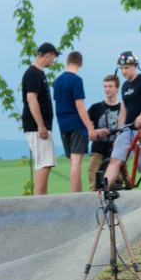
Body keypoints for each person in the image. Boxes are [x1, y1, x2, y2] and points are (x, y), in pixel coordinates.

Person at [103, 52, 141, 190]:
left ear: (135, 66)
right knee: (115, 159)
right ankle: (103, 191)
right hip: (128, 128)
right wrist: (118, 132)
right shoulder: (124, 86)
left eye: (127, 68)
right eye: (122, 68)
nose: (124, 71)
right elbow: (123, 111)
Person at [52, 51, 99, 193]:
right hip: (76, 124)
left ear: (67, 61)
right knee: (77, 160)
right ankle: (74, 196)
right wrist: (90, 127)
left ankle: (78, 193)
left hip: (62, 124)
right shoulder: (76, 80)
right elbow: (79, 105)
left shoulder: (57, 81)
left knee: (72, 161)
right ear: (81, 64)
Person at [21, 42, 60, 195]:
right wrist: (40, 125)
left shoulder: (39, 73)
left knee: (46, 162)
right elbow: (31, 99)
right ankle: (39, 201)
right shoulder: (33, 73)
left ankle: (41, 198)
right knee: (44, 162)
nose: (53, 61)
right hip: (37, 126)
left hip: (42, 125)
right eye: (53, 58)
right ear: (48, 55)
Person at [86, 75, 121, 191]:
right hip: (98, 152)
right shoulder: (95, 108)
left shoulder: (123, 108)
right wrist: (96, 131)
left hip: (116, 154)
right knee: (95, 186)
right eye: (105, 86)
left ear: (117, 88)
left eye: (110, 86)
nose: (107, 89)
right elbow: (85, 129)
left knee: (117, 187)